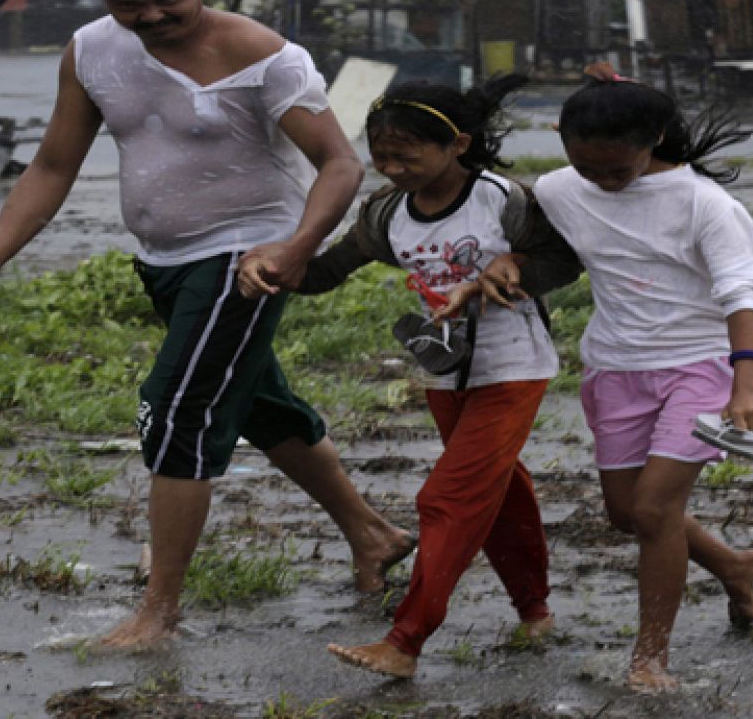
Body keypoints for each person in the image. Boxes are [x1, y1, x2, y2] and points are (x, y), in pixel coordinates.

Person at [0, 0, 415, 649]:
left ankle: (157, 611)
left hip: (243, 260)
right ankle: (373, 533)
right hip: (162, 259)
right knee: (259, 402)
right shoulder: (92, 50)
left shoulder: (263, 55)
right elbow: (51, 164)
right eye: (128, 3)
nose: (152, 16)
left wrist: (296, 247)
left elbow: (340, 166)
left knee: (178, 409)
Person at [240, 75, 581, 679]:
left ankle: (405, 641)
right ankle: (535, 610)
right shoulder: (385, 214)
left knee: (446, 499)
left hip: (513, 366)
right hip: (446, 373)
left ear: (457, 145)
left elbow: (563, 260)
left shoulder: (501, 197)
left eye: (408, 154)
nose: (392, 167)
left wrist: (514, 265)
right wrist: (274, 258)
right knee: (500, 493)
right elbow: (325, 272)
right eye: (382, 155)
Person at [508, 62, 753, 693]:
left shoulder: (707, 204)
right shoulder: (556, 189)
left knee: (656, 509)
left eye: (617, 170)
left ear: (653, 140)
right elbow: (535, 241)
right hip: (616, 364)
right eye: (587, 167)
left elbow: (741, 294)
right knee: (626, 512)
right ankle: (735, 567)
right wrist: (506, 259)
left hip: (705, 364)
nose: (602, 182)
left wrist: (748, 383)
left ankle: (650, 658)